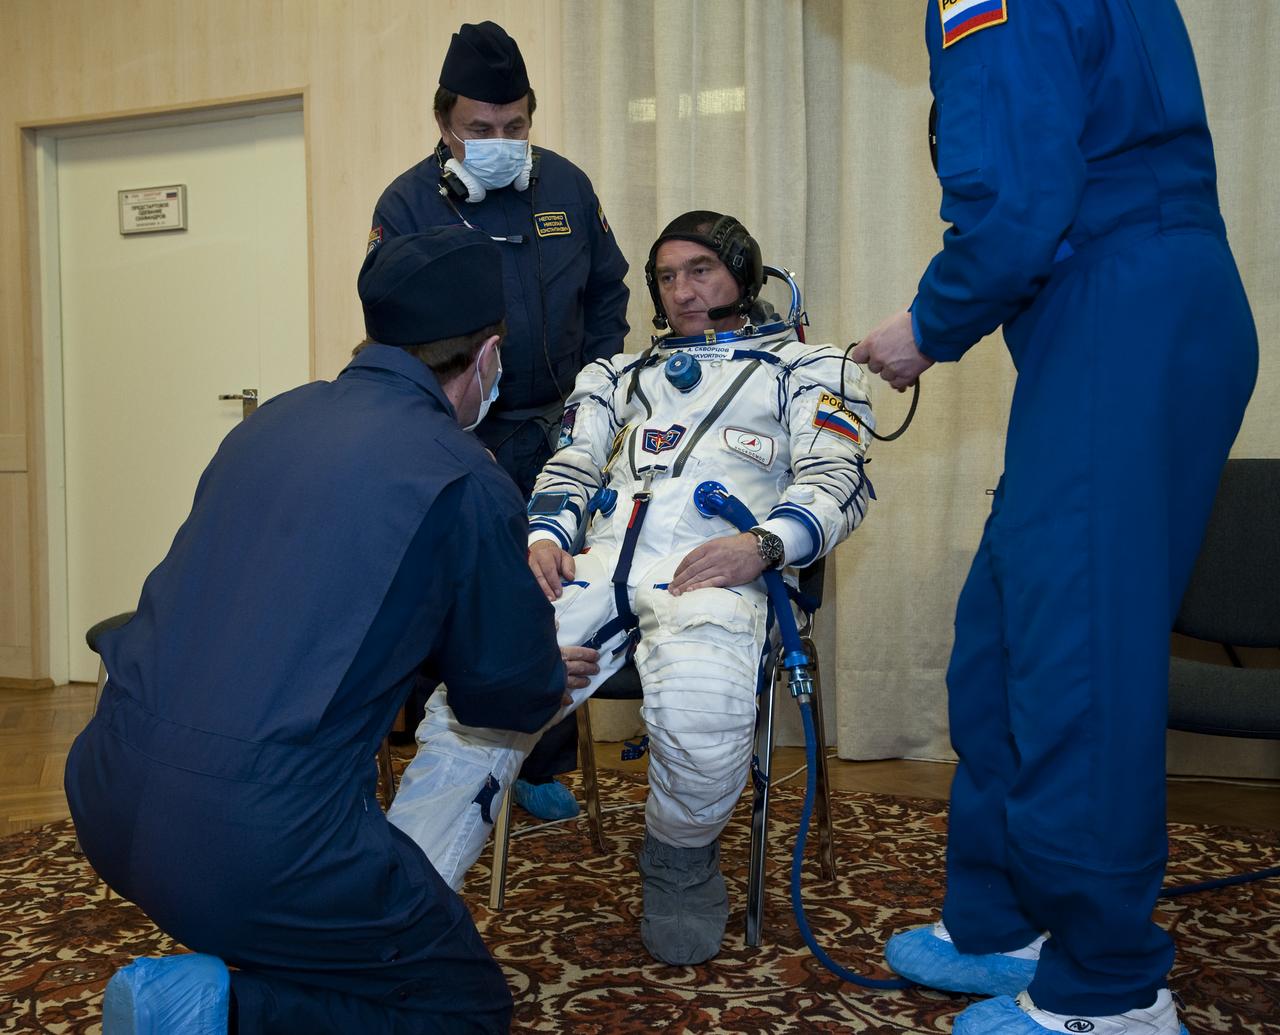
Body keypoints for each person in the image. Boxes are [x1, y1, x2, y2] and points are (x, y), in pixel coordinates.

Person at [64, 227, 600, 1034]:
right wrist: (540, 668)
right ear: (488, 354)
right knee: (466, 1007)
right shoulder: (464, 476)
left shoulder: (271, 421)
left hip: (107, 790)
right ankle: (222, 1009)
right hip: (260, 842)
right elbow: (506, 697)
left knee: (322, 939)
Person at [853, 3, 1258, 1033]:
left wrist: (926, 328)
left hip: (1123, 308)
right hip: (1117, 307)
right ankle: (1005, 923)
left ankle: (1108, 989)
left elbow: (1018, 207)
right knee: (1001, 638)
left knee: (1077, 665)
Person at [387, 211, 875, 966]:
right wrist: (546, 534)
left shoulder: (813, 369)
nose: (683, 290)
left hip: (719, 571)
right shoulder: (613, 375)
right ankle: (397, 890)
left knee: (705, 722)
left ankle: (678, 858)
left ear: (743, 273)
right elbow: (571, 468)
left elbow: (837, 481)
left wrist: (763, 544)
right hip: (599, 562)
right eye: (668, 276)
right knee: (477, 693)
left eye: (702, 270)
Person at [370, 20, 630, 822]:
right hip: (456, 439)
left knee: (549, 594)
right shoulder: (407, 204)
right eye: (480, 129)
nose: (500, 141)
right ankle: (439, 753)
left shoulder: (567, 189)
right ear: (444, 122)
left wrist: (597, 394)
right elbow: (391, 322)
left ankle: (538, 762)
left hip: (556, 431)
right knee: (449, 596)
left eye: (515, 126)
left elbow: (610, 296)